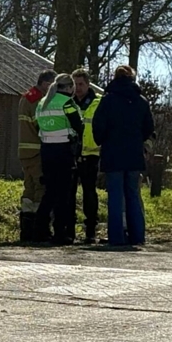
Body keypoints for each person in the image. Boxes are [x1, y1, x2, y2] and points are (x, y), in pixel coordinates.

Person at [92, 65, 154, 246]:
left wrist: (103, 140)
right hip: (134, 155)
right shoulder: (141, 101)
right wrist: (137, 140)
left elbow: (98, 125)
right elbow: (149, 127)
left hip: (113, 154)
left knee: (116, 197)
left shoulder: (108, 100)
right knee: (133, 195)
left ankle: (116, 237)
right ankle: (137, 236)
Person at [35, 73, 84, 245]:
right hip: (64, 151)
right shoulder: (67, 103)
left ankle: (39, 229)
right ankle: (60, 233)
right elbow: (78, 125)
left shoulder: (42, 103)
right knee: (63, 194)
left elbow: (37, 126)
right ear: (70, 88)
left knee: (50, 191)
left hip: (46, 150)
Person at [18, 69, 56, 242]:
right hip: (37, 150)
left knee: (29, 189)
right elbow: (42, 124)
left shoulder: (26, 97)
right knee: (41, 188)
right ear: (46, 84)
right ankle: (40, 229)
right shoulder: (38, 100)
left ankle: (27, 228)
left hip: (25, 151)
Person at [71, 68, 102, 244]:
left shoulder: (98, 102)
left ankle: (90, 230)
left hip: (91, 154)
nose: (78, 88)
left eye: (81, 84)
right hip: (73, 153)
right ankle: (70, 230)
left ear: (88, 84)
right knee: (69, 193)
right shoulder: (69, 101)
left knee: (89, 194)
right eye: (75, 84)